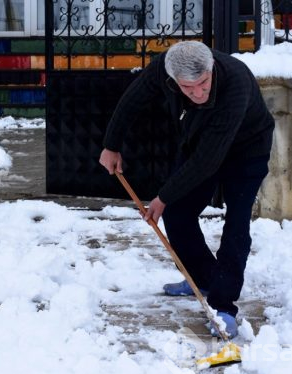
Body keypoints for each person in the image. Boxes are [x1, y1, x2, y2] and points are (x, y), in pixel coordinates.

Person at [99, 41, 274, 339]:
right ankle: (204, 278)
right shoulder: (163, 68)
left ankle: (224, 307)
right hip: (199, 142)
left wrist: (163, 196)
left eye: (202, 83)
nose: (197, 92)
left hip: (247, 149)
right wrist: (111, 145)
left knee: (236, 220)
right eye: (187, 87)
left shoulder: (236, 81)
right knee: (178, 213)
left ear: (211, 69)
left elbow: (209, 159)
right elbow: (133, 99)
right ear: (173, 80)